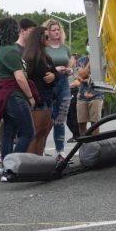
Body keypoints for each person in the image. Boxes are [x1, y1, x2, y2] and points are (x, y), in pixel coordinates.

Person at [0, 17, 36, 161]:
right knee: (28, 132)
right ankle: (12, 163)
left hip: (6, 96)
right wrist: (30, 97)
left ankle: (7, 167)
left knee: (9, 132)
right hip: (15, 95)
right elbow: (20, 77)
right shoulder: (10, 51)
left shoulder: (0, 50)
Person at [43, 18, 74, 161]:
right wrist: (54, 69)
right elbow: (39, 67)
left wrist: (69, 70)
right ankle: (39, 150)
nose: (56, 32)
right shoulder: (43, 48)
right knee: (46, 119)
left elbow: (71, 66)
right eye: (53, 30)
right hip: (48, 84)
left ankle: (60, 151)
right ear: (47, 32)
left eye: (58, 30)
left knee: (60, 118)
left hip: (63, 84)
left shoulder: (65, 48)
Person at [24, 26, 57, 155]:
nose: (49, 39)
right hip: (38, 99)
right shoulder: (30, 57)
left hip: (48, 98)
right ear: (39, 38)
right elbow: (26, 78)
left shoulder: (47, 57)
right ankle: (31, 162)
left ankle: (38, 161)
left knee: (44, 131)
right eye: (46, 37)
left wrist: (54, 75)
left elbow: (55, 73)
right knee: (36, 132)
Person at [76, 55, 104, 136]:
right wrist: (90, 61)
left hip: (97, 95)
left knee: (95, 124)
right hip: (82, 95)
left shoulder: (102, 59)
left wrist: (86, 79)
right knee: (81, 123)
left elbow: (102, 76)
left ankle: (95, 144)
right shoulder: (81, 60)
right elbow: (80, 75)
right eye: (88, 44)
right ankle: (85, 144)